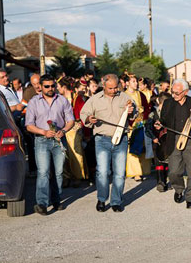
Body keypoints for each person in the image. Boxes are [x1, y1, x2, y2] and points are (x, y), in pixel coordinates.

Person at [80, 74, 137, 213]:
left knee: (119, 173)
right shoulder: (94, 100)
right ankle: (101, 199)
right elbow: (83, 114)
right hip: (102, 139)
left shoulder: (125, 98)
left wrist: (131, 111)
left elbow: (135, 113)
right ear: (103, 85)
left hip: (121, 139)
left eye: (115, 87)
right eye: (110, 88)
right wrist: (89, 119)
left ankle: (116, 201)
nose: (113, 90)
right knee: (103, 172)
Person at [25, 74, 75, 215]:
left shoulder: (62, 100)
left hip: (58, 140)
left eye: (53, 85)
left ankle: (56, 199)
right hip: (41, 140)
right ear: (40, 87)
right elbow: (28, 125)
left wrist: (63, 131)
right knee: (43, 172)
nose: (50, 88)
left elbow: (70, 120)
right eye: (47, 86)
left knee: (58, 173)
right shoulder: (34, 102)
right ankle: (41, 203)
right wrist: (43, 132)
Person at [155, 79, 191, 209]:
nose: (174, 95)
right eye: (173, 92)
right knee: (173, 171)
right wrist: (159, 124)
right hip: (174, 139)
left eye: (177, 93)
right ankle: (179, 189)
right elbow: (163, 120)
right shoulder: (168, 103)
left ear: (185, 92)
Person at [57, 77, 88, 186]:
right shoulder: (58, 99)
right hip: (62, 128)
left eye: (58, 87)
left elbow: (81, 114)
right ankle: (66, 176)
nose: (57, 88)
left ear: (64, 87)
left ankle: (77, 176)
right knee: (63, 153)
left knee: (75, 152)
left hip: (74, 128)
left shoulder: (76, 98)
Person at [122, 73, 152, 182]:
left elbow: (147, 108)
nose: (136, 83)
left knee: (143, 147)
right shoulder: (123, 96)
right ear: (127, 83)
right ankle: (135, 173)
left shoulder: (141, 94)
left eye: (136, 81)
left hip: (141, 124)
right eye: (133, 81)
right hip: (130, 126)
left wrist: (144, 119)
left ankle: (144, 170)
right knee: (132, 149)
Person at [146, 92, 172, 192]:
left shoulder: (170, 114)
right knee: (159, 162)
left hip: (168, 141)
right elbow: (148, 128)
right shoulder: (153, 114)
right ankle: (160, 182)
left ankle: (165, 181)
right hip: (157, 142)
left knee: (167, 162)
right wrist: (153, 138)